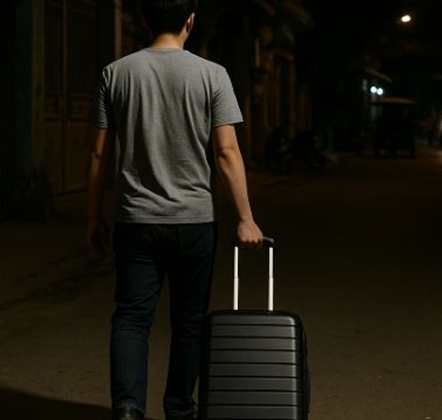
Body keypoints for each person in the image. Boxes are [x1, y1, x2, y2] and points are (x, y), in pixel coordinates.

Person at [86, 1, 264, 419]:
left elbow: (98, 154)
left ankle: (127, 409)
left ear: (144, 20)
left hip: (135, 219)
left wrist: (93, 216)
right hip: (194, 221)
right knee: (189, 321)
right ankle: (180, 409)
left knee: (132, 318)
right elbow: (226, 152)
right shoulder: (212, 75)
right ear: (190, 21)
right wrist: (245, 218)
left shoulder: (116, 73)